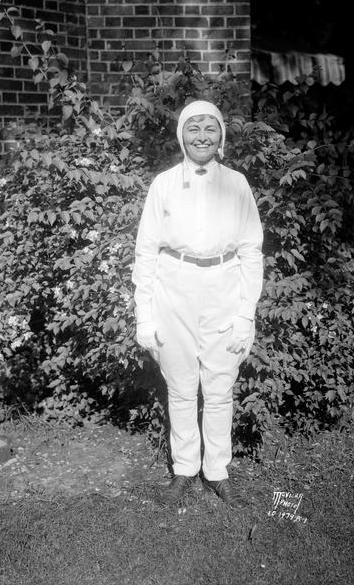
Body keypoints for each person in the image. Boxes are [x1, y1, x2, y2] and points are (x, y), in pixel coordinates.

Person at [132, 100, 264, 507]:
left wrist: (245, 315)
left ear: (221, 135)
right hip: (174, 292)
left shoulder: (237, 184)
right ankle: (185, 470)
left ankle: (218, 472)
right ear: (181, 135)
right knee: (181, 388)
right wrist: (144, 316)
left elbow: (251, 251)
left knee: (220, 389)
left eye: (210, 128)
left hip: (223, 291)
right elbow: (146, 253)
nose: (202, 136)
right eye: (194, 128)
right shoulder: (163, 185)